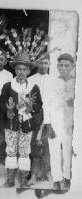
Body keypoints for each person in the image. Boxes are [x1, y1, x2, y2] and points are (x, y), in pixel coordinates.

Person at [0, 51, 43, 188]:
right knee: (11, 150)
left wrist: (32, 108)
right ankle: (10, 179)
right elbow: (1, 103)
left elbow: (39, 104)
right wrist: (7, 110)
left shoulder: (33, 87)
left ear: (29, 71)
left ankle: (24, 179)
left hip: (26, 124)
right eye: (19, 69)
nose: (22, 72)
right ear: (15, 70)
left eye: (25, 69)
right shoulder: (8, 86)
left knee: (24, 151)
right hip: (11, 123)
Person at [43, 53, 76, 190]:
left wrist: (75, 102)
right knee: (55, 151)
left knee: (68, 152)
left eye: (66, 66)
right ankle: (56, 180)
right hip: (55, 122)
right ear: (57, 66)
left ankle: (67, 178)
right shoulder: (51, 82)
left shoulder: (76, 82)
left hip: (70, 124)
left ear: (72, 66)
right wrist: (48, 124)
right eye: (61, 65)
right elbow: (46, 104)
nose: (63, 68)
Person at [27, 53, 52, 186]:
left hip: (47, 117)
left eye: (45, 63)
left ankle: (46, 174)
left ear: (49, 65)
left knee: (45, 146)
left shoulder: (53, 80)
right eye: (41, 63)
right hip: (33, 116)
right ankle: (33, 175)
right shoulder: (30, 79)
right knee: (35, 146)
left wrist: (47, 116)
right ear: (37, 64)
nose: (43, 65)